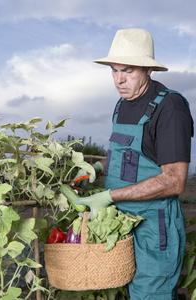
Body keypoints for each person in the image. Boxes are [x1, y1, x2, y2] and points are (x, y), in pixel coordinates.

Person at [75, 28, 194, 300]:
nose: (119, 79)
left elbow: (174, 181)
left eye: (127, 71)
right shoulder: (122, 104)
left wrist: (109, 195)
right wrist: (99, 168)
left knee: (151, 293)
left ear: (147, 69)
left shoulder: (170, 108)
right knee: (132, 291)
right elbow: (127, 153)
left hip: (154, 226)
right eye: (114, 71)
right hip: (123, 222)